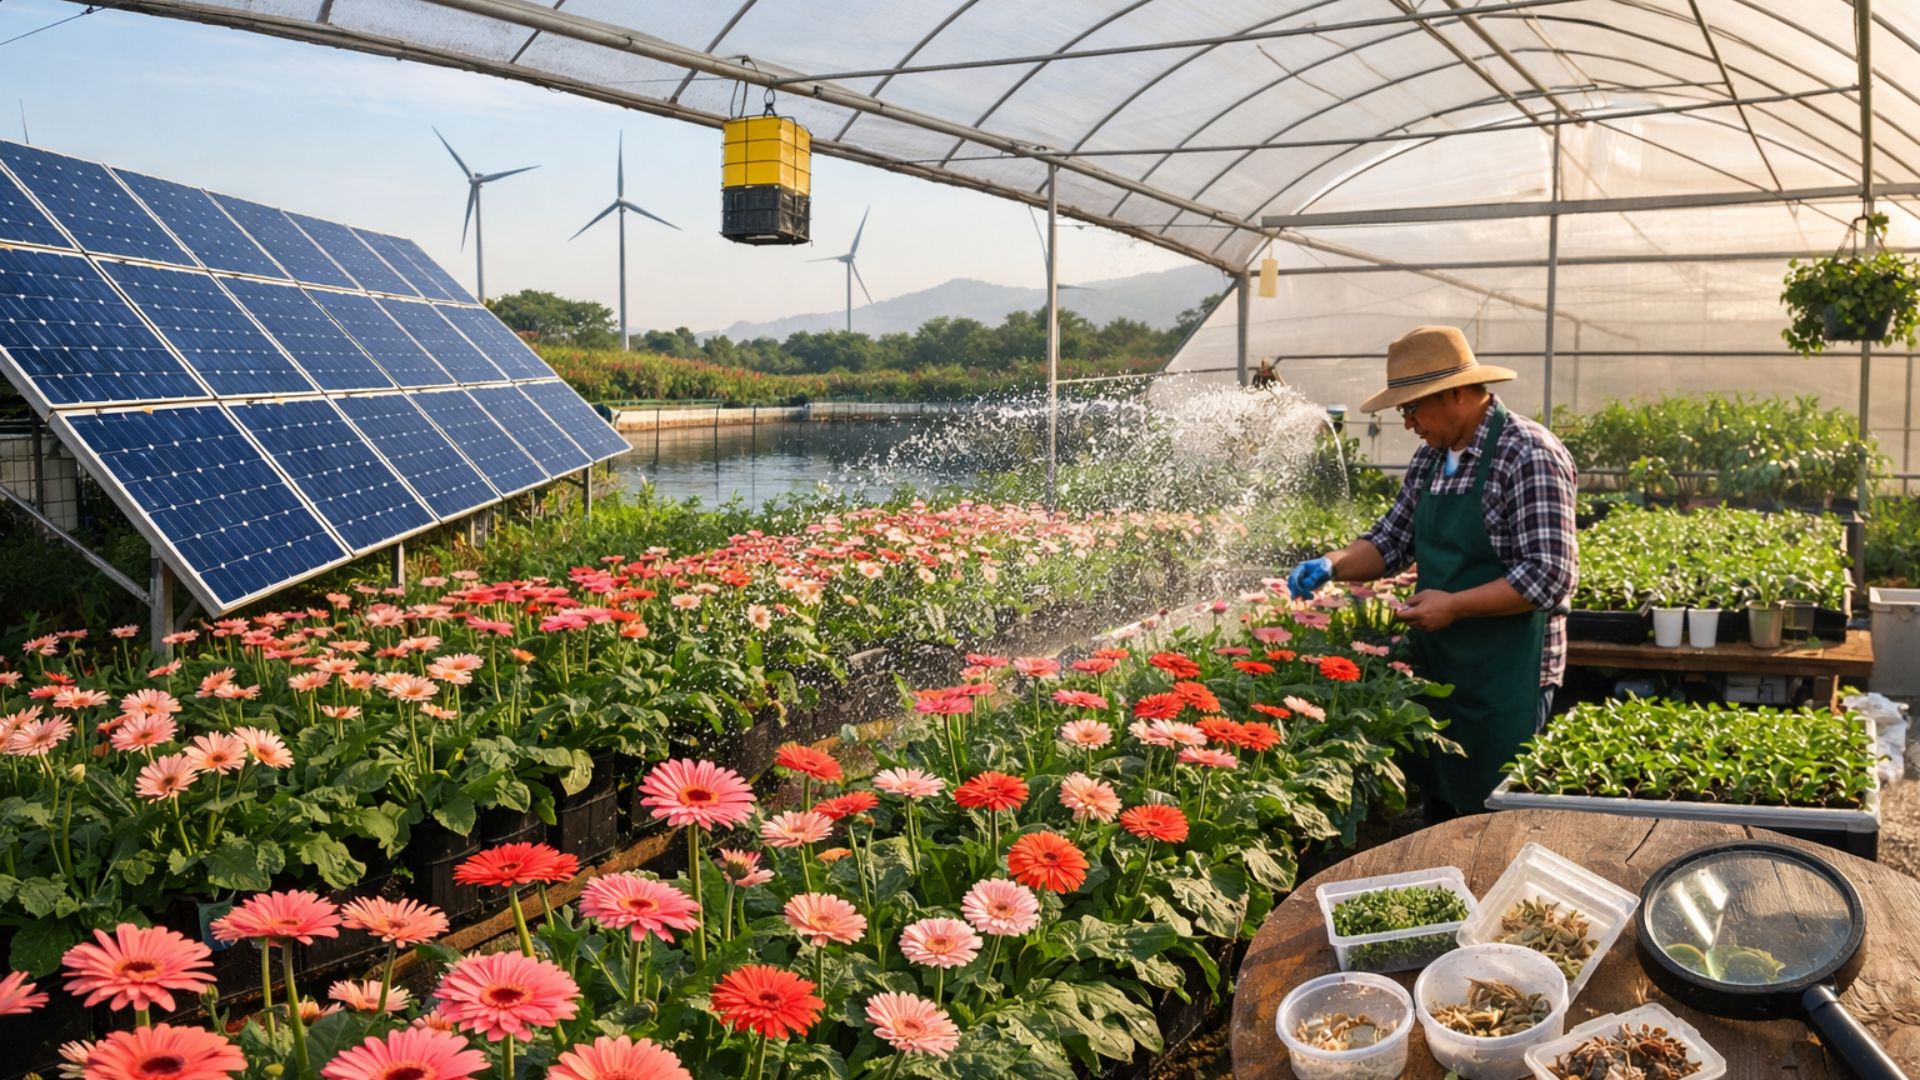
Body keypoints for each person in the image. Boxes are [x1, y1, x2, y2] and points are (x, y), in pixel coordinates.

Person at [1286, 326, 1577, 817]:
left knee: (1494, 816)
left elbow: (1549, 576)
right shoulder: (1431, 458)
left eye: (1413, 408)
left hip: (1509, 673)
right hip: (1442, 665)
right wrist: (1332, 563)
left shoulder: (1526, 452)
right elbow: (1391, 541)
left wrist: (1455, 605)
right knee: (1442, 808)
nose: (1408, 423)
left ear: (1459, 394)